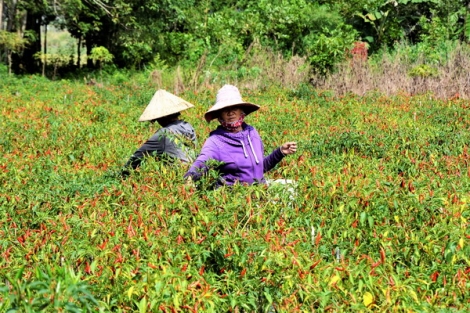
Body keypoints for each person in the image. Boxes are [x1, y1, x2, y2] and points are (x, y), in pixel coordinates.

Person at [184, 84, 296, 187]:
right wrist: (190, 176)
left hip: (260, 193)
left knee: (293, 186)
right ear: (219, 114)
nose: (230, 112)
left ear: (241, 110)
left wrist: (280, 152)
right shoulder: (215, 141)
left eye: (234, 108)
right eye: (225, 109)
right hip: (235, 199)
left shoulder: (252, 133)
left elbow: (260, 168)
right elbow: (202, 161)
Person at [121, 90, 197, 178]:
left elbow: (137, 157)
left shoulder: (164, 134)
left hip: (178, 178)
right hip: (194, 172)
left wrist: (122, 175)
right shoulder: (188, 126)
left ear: (163, 117)